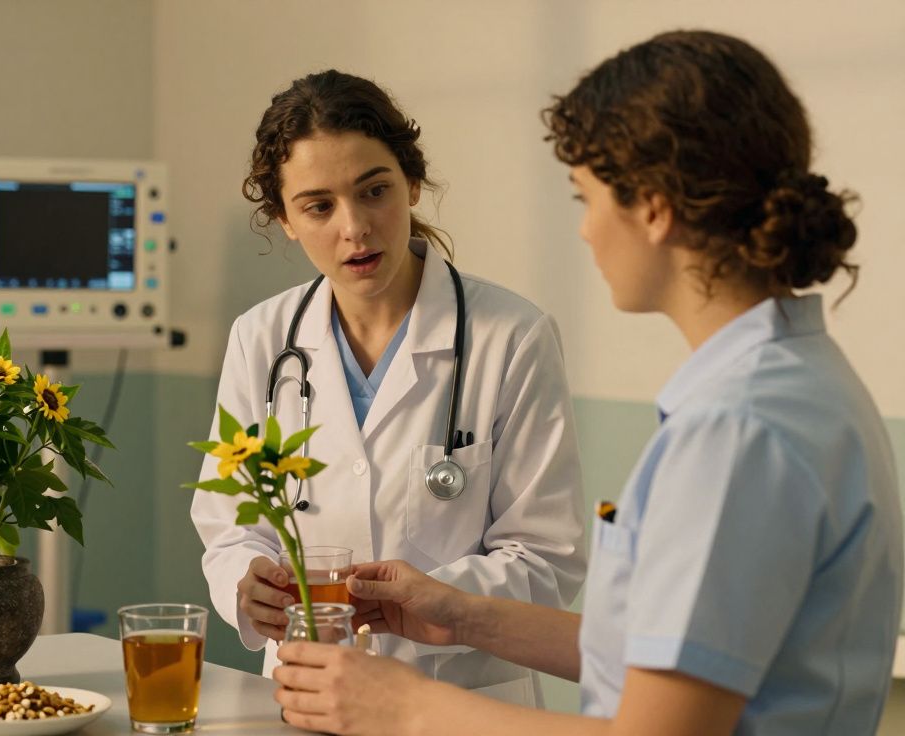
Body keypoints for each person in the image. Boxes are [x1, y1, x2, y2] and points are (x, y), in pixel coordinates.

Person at [272, 30, 903, 735]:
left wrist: (405, 707)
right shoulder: (795, 380)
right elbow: (674, 659)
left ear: (655, 209)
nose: (585, 232)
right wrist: (461, 612)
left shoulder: (737, 430)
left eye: (587, 198)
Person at [190, 69, 588, 705]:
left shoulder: (511, 337)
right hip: (305, 691)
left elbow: (547, 555)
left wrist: (443, 600)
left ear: (412, 184)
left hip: (466, 701)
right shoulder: (260, 338)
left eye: (374, 191)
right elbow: (230, 524)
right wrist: (247, 584)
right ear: (285, 220)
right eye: (318, 206)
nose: (354, 227)